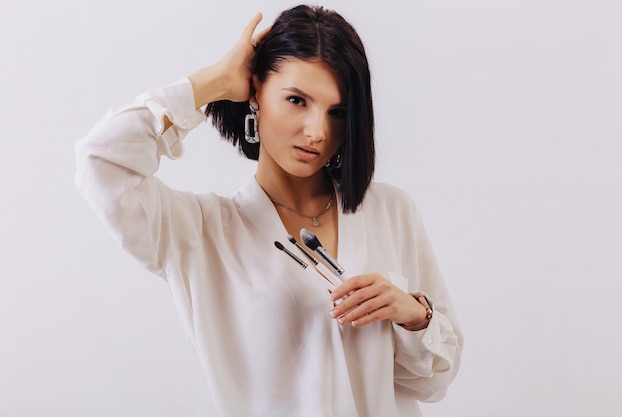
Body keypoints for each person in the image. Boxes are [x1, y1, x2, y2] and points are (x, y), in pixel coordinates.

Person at [75, 5, 462, 416]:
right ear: (255, 91)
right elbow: (100, 160)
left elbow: (434, 381)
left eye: (337, 112)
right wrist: (215, 82)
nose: (317, 132)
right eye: (297, 100)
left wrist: (414, 314)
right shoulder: (199, 234)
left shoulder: (391, 211)